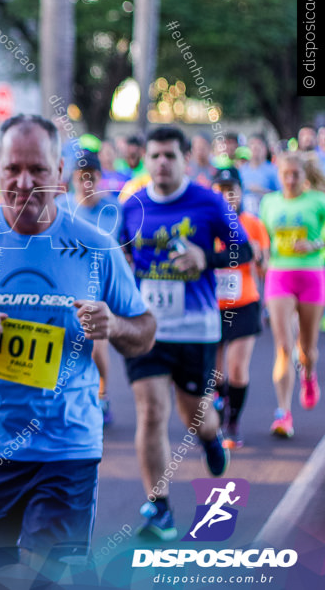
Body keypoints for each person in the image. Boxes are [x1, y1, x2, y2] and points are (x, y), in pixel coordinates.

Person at [0, 114, 154, 579]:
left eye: (38, 169)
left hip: (67, 446)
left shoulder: (96, 245)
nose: (24, 182)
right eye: (13, 169)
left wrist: (115, 325)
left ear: (59, 172)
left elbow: (144, 332)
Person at [119, 126, 252, 541]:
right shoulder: (132, 205)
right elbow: (122, 254)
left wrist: (205, 257)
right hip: (148, 328)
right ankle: (159, 508)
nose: (160, 163)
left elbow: (244, 250)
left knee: (193, 415)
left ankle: (211, 437)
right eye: (154, 156)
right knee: (152, 412)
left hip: (195, 327)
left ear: (185, 161)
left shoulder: (208, 202)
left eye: (169, 156)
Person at [259, 152, 325, 438]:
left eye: (295, 175)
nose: (289, 180)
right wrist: (260, 258)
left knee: (306, 349)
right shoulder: (268, 202)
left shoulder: (318, 200)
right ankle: (283, 413)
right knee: (284, 347)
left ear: (304, 175)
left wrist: (315, 244)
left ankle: (308, 374)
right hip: (279, 275)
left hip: (311, 275)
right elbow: (263, 237)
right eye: (285, 174)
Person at [56, 149, 123, 425]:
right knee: (63, 344)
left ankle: (103, 395)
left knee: (96, 347)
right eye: (81, 176)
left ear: (99, 177)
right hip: (64, 285)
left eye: (91, 176)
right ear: (72, 178)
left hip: (98, 285)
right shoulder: (60, 207)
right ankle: (65, 398)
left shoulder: (114, 209)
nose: (86, 182)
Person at [211, 168, 269, 449]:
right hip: (212, 306)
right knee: (216, 372)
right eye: (220, 190)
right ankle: (218, 417)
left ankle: (233, 422)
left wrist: (257, 254)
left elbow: (264, 268)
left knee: (236, 368)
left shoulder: (253, 224)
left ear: (240, 192)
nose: (226, 195)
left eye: (230, 189)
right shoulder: (205, 224)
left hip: (244, 302)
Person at [239, 134, 279, 215]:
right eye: (252, 144)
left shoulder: (273, 170)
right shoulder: (241, 170)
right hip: (246, 218)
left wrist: (262, 191)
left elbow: (281, 195)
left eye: (259, 144)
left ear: (265, 149)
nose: (255, 147)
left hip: (266, 216)